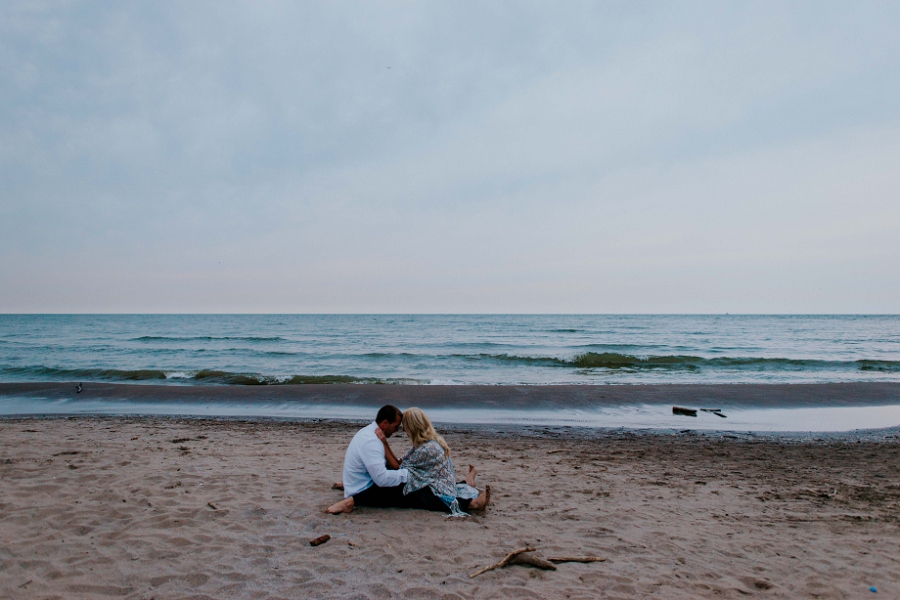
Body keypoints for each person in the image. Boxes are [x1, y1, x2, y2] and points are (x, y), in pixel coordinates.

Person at [399, 407, 490, 516]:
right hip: (442, 482)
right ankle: (468, 482)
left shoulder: (427, 448)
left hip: (441, 488)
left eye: (404, 426)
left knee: (423, 497)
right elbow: (403, 460)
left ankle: (473, 504)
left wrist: (385, 446)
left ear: (412, 426)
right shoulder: (424, 442)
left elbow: (402, 468)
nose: (403, 430)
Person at [326, 405, 407, 515]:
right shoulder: (371, 442)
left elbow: (391, 465)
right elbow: (381, 479)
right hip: (361, 491)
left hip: (357, 482)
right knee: (406, 489)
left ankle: (347, 485)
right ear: (385, 423)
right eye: (396, 426)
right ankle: (349, 503)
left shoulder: (370, 432)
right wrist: (407, 474)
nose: (396, 430)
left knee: (395, 474)